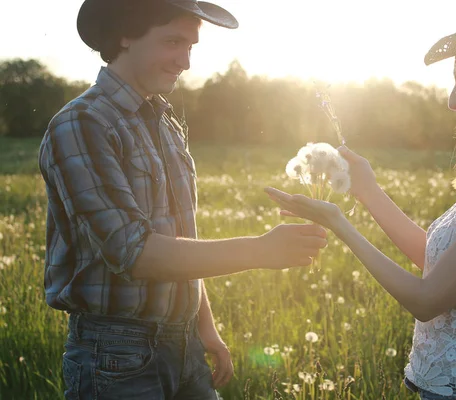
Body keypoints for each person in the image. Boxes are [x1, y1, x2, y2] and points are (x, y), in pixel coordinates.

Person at [265, 4, 456, 400]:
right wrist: (369, 191)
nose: (452, 100)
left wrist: (341, 224)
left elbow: (426, 300)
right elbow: (437, 264)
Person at [38, 1, 327, 399]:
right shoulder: (83, 123)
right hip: (116, 352)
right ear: (124, 35)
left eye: (191, 47)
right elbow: (135, 253)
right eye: (173, 42)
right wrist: (261, 249)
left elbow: (179, 235)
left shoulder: (165, 121)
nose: (185, 62)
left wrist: (204, 327)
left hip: (186, 343)